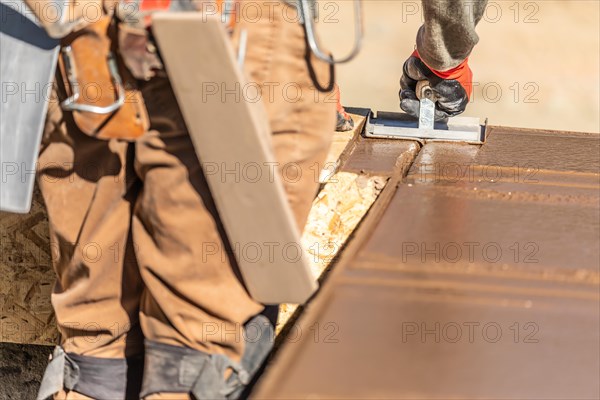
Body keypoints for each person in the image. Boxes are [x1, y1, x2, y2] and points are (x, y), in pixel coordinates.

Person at [26, 0, 486, 398]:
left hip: (77, 50)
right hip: (223, 37)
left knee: (96, 354)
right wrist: (443, 58)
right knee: (195, 351)